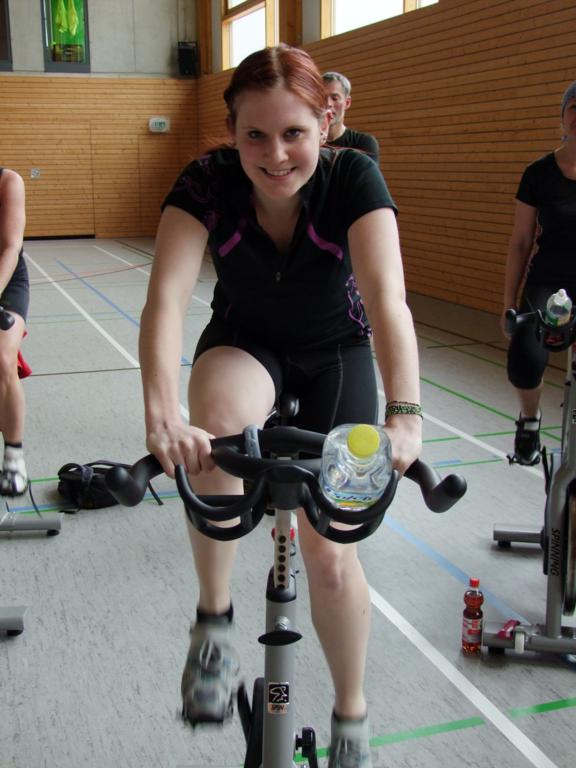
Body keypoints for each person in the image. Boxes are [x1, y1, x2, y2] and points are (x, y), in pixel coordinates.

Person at [140, 44, 422, 768]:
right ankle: (213, 625)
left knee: (331, 554)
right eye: (255, 136)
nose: (275, 155)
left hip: (337, 354)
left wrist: (405, 413)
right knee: (214, 441)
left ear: (325, 123)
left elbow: (388, 300)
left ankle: (351, 718)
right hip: (247, 343)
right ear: (231, 132)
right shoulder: (206, 182)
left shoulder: (353, 177)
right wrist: (162, 413)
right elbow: (166, 298)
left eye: (293, 133)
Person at [503, 81, 576, 465]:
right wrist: (508, 303)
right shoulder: (538, 173)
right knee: (524, 361)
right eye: (573, 107)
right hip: (550, 281)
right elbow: (520, 241)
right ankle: (530, 420)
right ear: (562, 117)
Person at [0, 167, 30, 495]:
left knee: (2, 359)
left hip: (7, 278)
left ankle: (13, 457)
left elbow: (11, 246)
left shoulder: (8, 182)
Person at [322, 71, 380, 162]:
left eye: (334, 98)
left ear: (347, 103)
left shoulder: (363, 143)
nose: (328, 103)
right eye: (322, 97)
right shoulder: (308, 141)